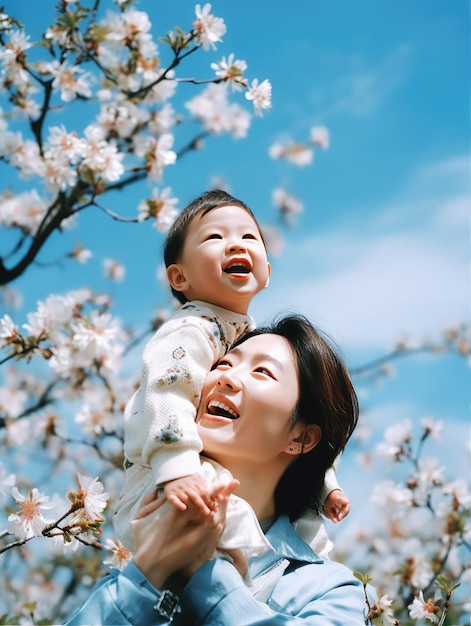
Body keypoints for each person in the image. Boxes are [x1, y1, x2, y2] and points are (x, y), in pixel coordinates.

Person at [67, 314, 374, 625]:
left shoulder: (332, 591)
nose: (225, 378)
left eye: (262, 372)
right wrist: (148, 571)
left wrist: (207, 574)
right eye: (223, 364)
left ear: (301, 436)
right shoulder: (139, 556)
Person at [113, 190, 349, 566]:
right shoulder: (190, 330)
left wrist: (324, 488)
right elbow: (168, 392)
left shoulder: (245, 337)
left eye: (248, 237)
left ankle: (294, 572)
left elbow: (308, 416)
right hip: (166, 475)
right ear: (179, 276)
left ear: (266, 273)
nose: (234, 245)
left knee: (298, 525)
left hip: (198, 471)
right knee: (226, 518)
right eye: (214, 237)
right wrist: (177, 470)